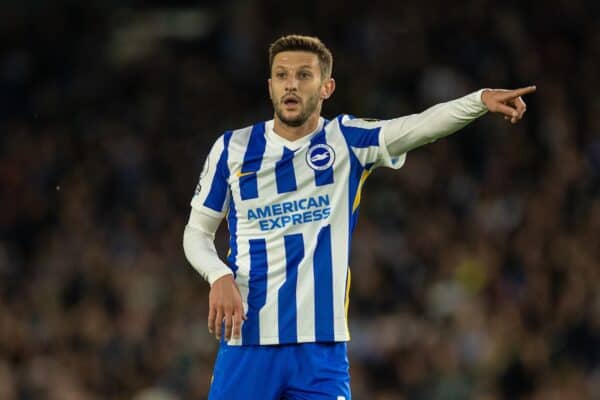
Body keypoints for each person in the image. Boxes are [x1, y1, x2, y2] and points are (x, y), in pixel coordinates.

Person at [182, 34, 536, 400]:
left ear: (326, 87)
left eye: (304, 75)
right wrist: (218, 274)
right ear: (270, 84)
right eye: (281, 74)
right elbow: (196, 233)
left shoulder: (345, 141)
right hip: (248, 341)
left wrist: (479, 100)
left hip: (322, 351)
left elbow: (418, 127)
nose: (291, 84)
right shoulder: (232, 148)